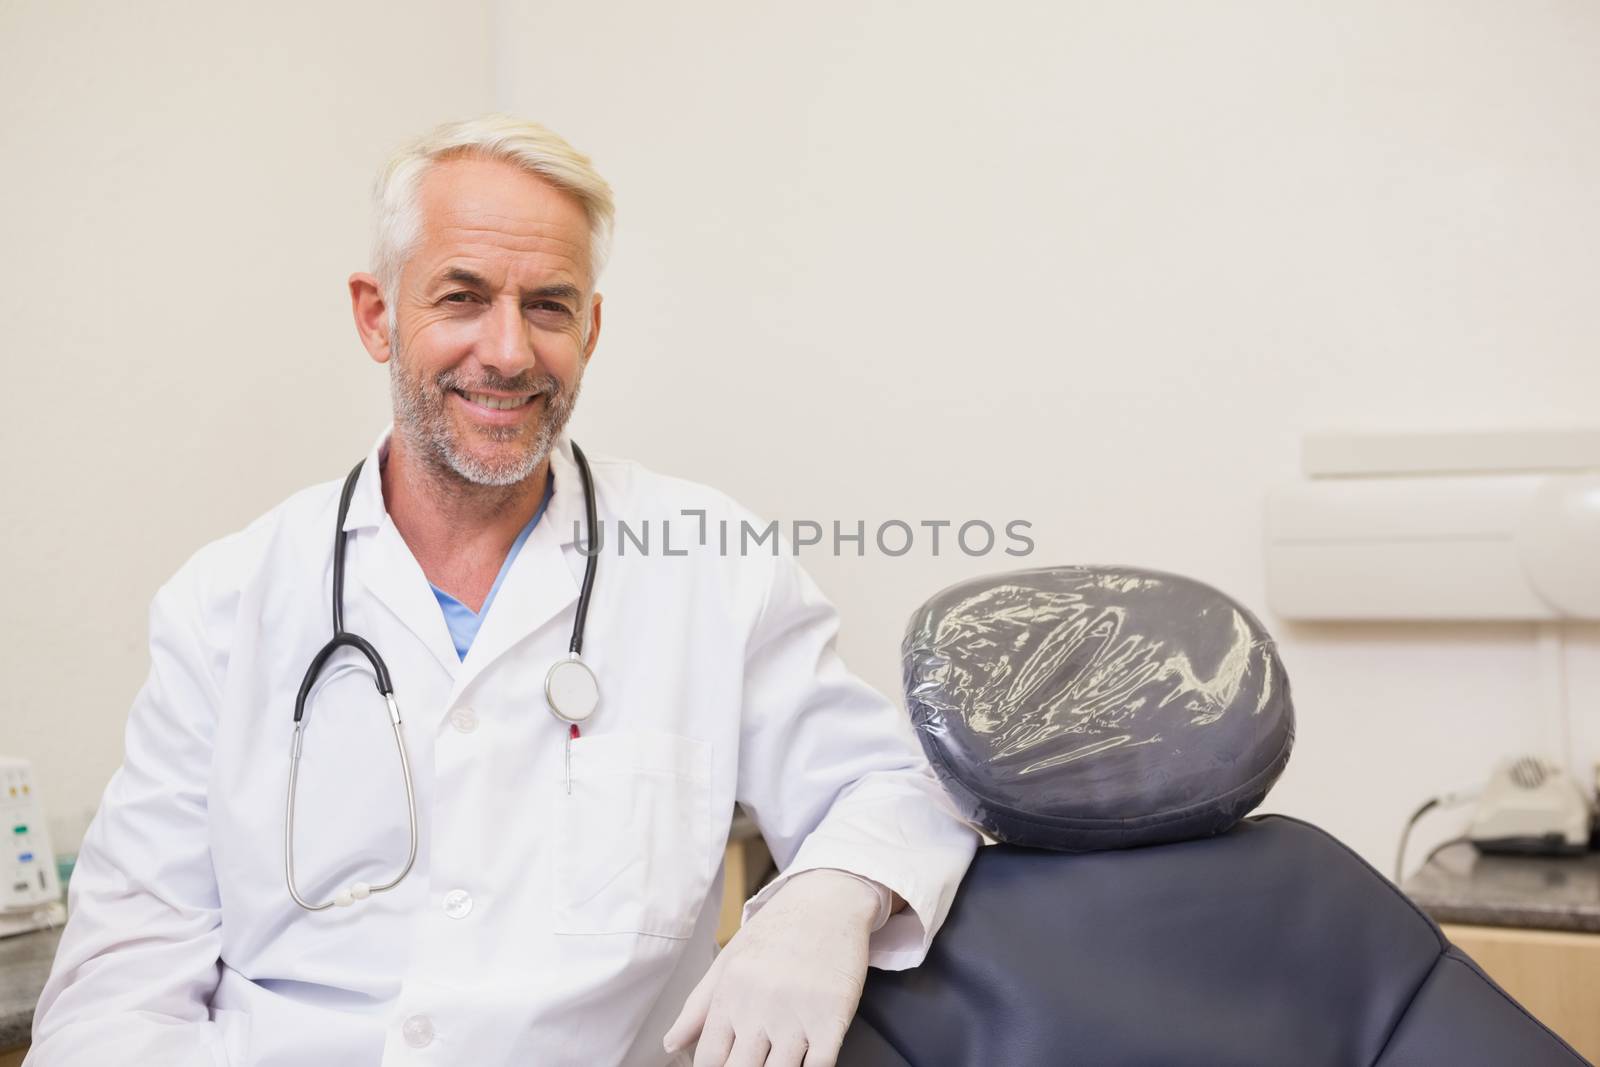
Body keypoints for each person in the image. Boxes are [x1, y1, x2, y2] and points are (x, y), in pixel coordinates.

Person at [26, 115, 978, 1067]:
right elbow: (123, 983)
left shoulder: (711, 564)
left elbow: (899, 785)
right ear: (375, 315)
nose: (510, 351)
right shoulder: (228, 602)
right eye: (463, 297)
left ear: (592, 329)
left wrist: (824, 902)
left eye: (550, 306)